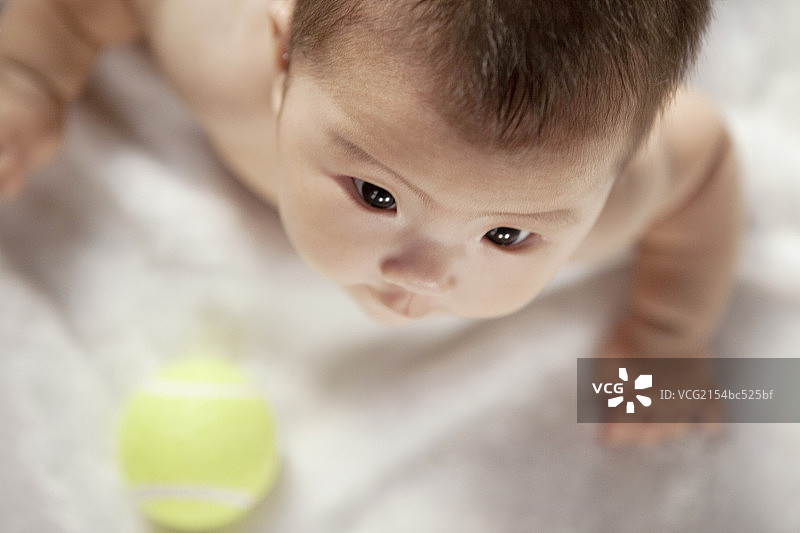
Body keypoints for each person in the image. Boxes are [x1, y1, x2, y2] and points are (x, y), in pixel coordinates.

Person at [0, 0, 741, 444]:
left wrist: (668, 335)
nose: (420, 275)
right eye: (376, 195)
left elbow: (705, 164)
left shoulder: (617, 190)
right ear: (284, 58)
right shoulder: (217, 45)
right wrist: (30, 74)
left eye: (506, 236)